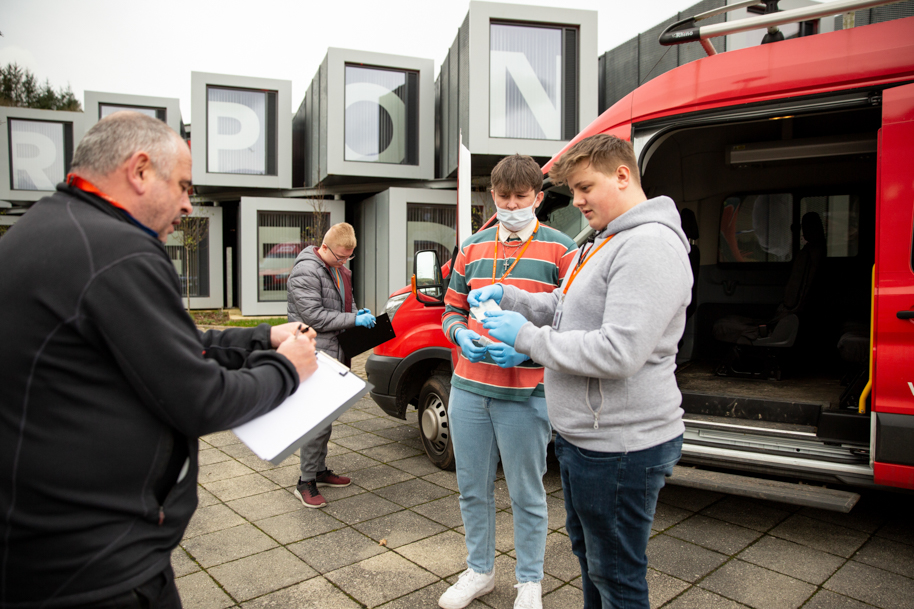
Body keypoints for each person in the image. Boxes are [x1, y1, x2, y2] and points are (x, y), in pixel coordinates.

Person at [0, 111, 318, 608]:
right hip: (97, 571)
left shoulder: (50, 229)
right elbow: (200, 398)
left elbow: (164, 342)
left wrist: (262, 337)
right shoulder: (119, 250)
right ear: (141, 170)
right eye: (185, 186)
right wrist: (289, 369)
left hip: (45, 551)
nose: (189, 205)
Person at [470, 134, 692, 609]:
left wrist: (525, 338)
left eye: (584, 187)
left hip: (619, 447)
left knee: (615, 577)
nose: (577, 201)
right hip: (587, 439)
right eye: (572, 190)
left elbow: (619, 352)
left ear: (623, 175)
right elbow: (564, 306)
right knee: (594, 562)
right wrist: (510, 298)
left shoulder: (647, 246)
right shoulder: (606, 238)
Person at [438, 155, 577, 609]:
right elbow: (451, 309)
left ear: (539, 197)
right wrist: (459, 334)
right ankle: (479, 570)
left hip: (528, 392)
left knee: (526, 491)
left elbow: (574, 321)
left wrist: (528, 348)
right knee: (471, 487)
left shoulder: (562, 249)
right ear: (491, 196)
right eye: (503, 196)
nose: (512, 204)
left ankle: (530, 580)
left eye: (521, 197)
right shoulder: (472, 247)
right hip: (469, 388)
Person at [287, 222, 375, 508]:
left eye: (348, 257)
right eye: (339, 257)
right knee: (314, 419)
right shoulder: (306, 270)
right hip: (312, 353)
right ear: (324, 247)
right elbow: (314, 316)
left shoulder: (339, 269)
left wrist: (356, 312)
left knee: (326, 417)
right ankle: (305, 482)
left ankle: (319, 470)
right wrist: (352, 320)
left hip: (332, 353)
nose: (344, 262)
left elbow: (345, 305)